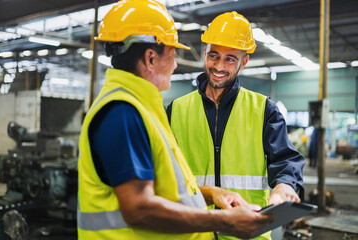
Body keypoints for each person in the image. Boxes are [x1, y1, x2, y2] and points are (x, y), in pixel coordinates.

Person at [77, 1, 274, 239]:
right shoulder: (122, 113)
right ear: (151, 58)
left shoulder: (143, 110)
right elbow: (139, 209)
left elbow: (166, 194)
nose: (175, 64)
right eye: (172, 53)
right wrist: (224, 221)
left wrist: (211, 194)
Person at [167, 11, 305, 240]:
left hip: (247, 233)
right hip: (192, 231)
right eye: (214, 56)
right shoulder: (176, 110)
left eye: (230, 59)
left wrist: (285, 185)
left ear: (244, 61)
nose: (219, 66)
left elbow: (285, 159)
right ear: (204, 53)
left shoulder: (264, 110)